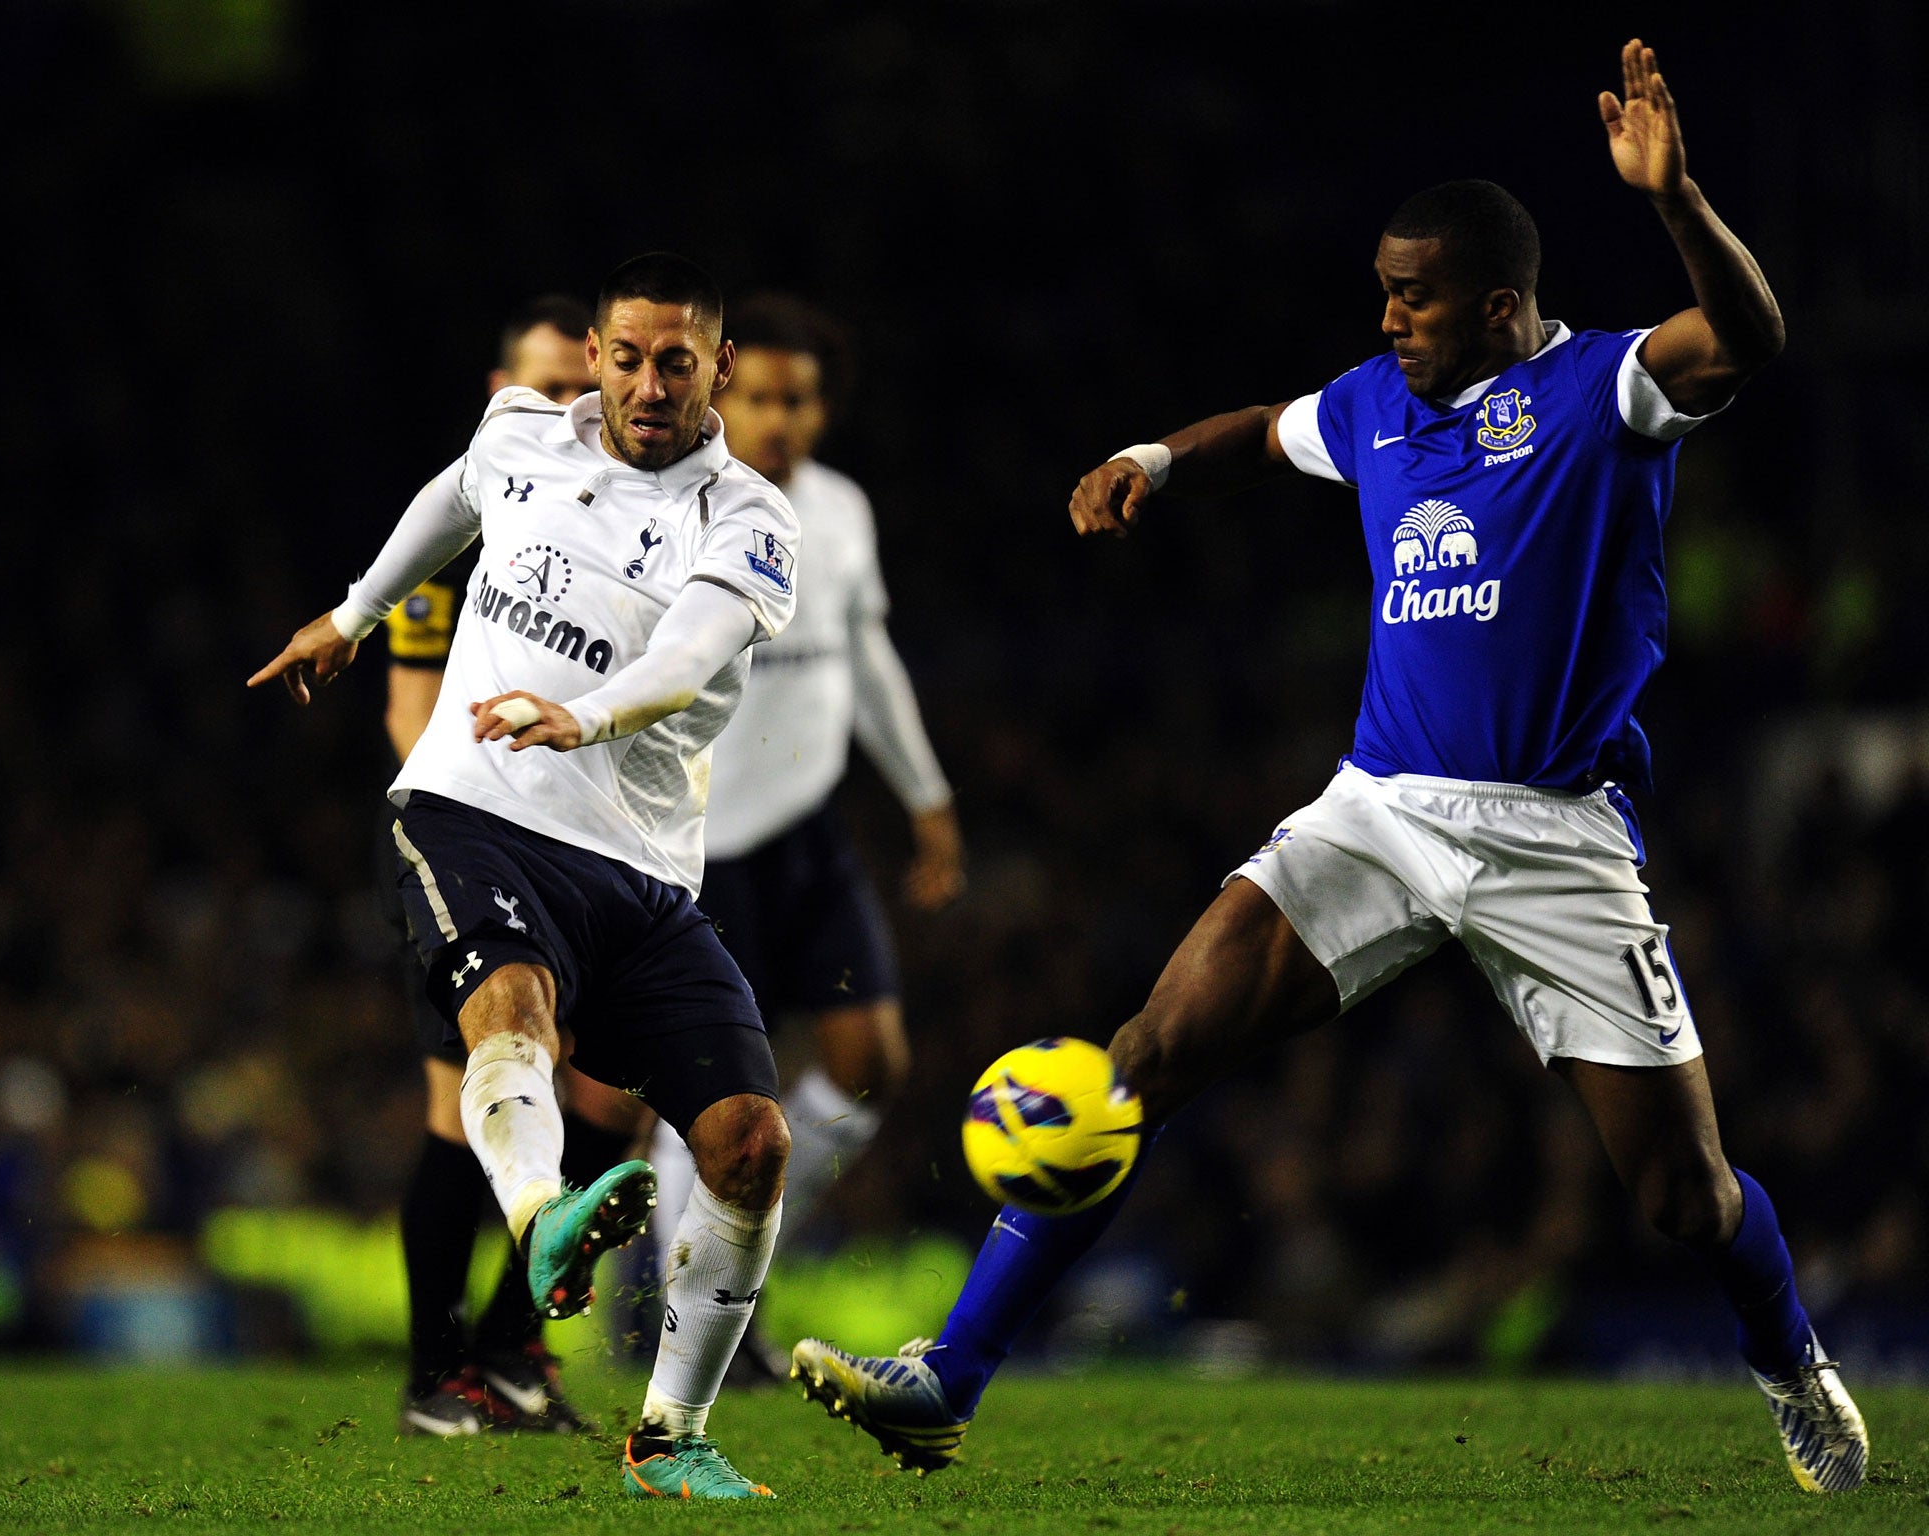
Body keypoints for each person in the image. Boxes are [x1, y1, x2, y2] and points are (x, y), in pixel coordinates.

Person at [789, 40, 1869, 1496]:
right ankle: (949, 1377)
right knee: (1144, 1058)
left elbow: (1747, 337)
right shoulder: (1376, 402)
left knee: (1683, 1196)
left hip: (1555, 834)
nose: (1387, 314)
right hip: (1378, 808)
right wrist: (1157, 461)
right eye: (1382, 288)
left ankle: (1790, 1357)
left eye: (1412, 294)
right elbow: (1266, 434)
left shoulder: (1602, 389)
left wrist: (1676, 201)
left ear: (1499, 304)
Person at [252, 252, 799, 1500]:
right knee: (513, 1012)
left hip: (642, 867)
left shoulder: (752, 518)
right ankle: (540, 1216)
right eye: (626, 357)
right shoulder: (519, 431)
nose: (648, 384)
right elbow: (450, 499)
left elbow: (685, 656)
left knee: (749, 1143)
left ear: (717, 366)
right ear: (596, 357)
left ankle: (670, 1438)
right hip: (472, 809)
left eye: (676, 361)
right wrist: (348, 616)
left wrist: (587, 719)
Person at [643, 294, 964, 1379]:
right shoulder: (672, 511)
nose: (782, 419)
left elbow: (863, 658)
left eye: (802, 399)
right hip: (694, 844)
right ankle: (683, 1310)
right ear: (718, 393)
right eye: (761, 397)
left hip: (807, 837)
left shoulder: (839, 513)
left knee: (867, 1066)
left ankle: (734, 1247)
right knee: (705, 1095)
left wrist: (923, 794)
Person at [382, 294, 659, 1437]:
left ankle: (509, 1348)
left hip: (593, 853)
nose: (564, 409)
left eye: (573, 388)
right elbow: (409, 715)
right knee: (471, 1106)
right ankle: (433, 1371)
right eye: (541, 389)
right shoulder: (458, 538)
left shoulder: (627, 528)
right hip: (475, 842)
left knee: (613, 1102)